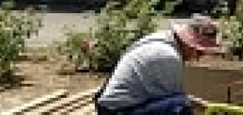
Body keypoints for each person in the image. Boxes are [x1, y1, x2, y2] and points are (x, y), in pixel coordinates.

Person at [94, 15, 223, 114]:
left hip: (112, 103)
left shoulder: (162, 38)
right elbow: (179, 102)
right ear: (190, 45)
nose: (198, 59)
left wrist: (204, 105)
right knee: (180, 108)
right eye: (199, 53)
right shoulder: (168, 57)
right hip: (117, 110)